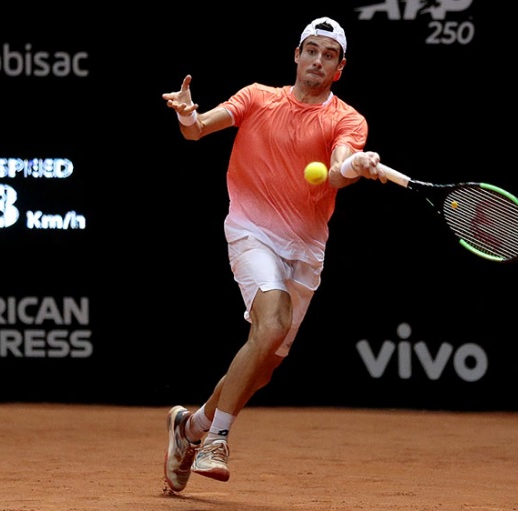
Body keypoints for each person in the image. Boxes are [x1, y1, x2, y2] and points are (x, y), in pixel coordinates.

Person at [159, 17, 386, 492]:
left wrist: (355, 165)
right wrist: (186, 115)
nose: (318, 61)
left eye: (329, 55)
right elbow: (197, 130)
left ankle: (191, 427)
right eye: (311, 50)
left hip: (306, 248)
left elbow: (337, 170)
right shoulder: (257, 97)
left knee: (263, 367)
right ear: (297, 55)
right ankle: (216, 440)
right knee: (273, 322)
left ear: (340, 68)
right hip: (251, 231)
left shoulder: (348, 120)